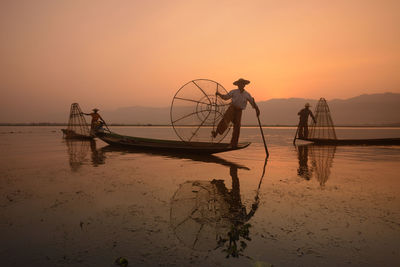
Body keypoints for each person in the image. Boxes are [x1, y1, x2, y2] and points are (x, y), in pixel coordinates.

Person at [212, 78, 260, 147]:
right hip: (232, 108)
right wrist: (219, 94)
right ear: (237, 85)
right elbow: (225, 97)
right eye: (239, 84)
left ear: (244, 85)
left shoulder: (247, 94)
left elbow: (252, 103)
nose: (241, 85)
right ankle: (216, 133)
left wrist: (257, 109)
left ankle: (234, 143)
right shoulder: (233, 92)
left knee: (237, 127)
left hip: (239, 111)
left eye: (242, 84)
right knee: (225, 120)